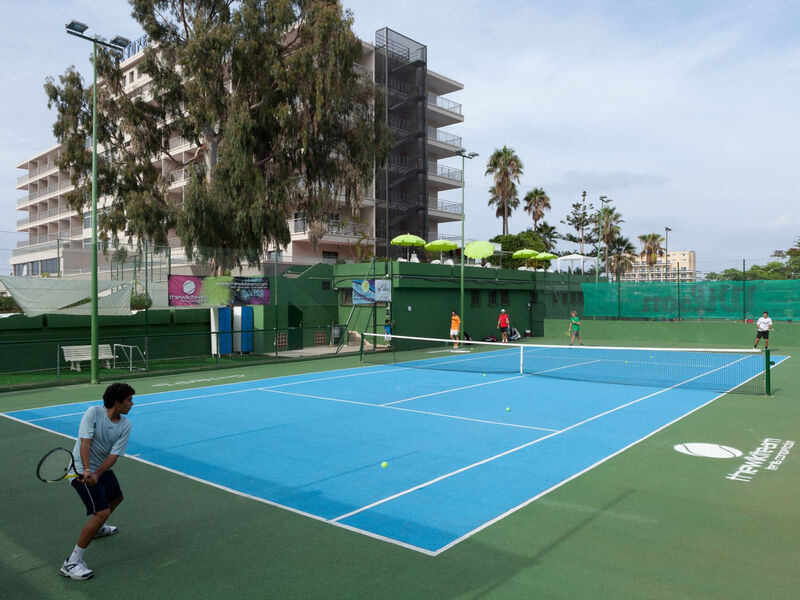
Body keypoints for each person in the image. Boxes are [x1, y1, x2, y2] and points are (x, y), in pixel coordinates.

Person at [60, 382, 136, 581]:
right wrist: (86, 470)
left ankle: (98, 529)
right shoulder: (93, 413)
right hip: (78, 469)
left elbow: (114, 455)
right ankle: (72, 563)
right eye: (129, 400)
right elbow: (85, 443)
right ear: (117, 402)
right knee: (101, 512)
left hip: (101, 468)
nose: (132, 404)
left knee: (117, 497)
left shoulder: (125, 425)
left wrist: (98, 473)